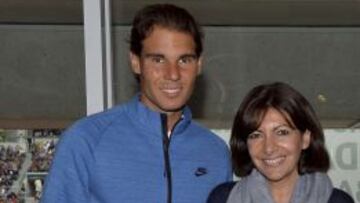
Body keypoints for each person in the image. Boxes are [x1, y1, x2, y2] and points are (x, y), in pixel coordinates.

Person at [40, 4, 232, 203]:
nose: (173, 74)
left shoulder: (215, 152)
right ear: (135, 62)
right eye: (158, 60)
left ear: (199, 64)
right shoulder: (86, 140)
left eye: (184, 60)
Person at [207, 82, 354, 203]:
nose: (269, 148)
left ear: (305, 138)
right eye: (256, 135)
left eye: (282, 132)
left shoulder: (336, 201)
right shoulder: (222, 198)